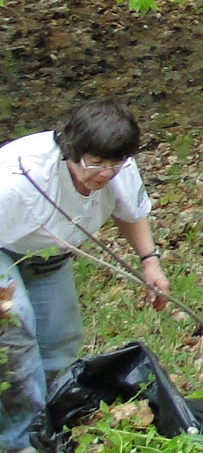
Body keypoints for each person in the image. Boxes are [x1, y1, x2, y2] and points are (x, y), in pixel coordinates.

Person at [1, 103, 169, 453]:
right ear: (71, 152)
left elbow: (130, 212)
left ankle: (48, 423)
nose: (106, 173)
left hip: (51, 252)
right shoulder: (17, 180)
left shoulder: (118, 164)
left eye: (114, 163)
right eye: (95, 163)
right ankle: (19, 443)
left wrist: (149, 262)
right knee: (16, 339)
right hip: (3, 245)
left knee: (60, 340)